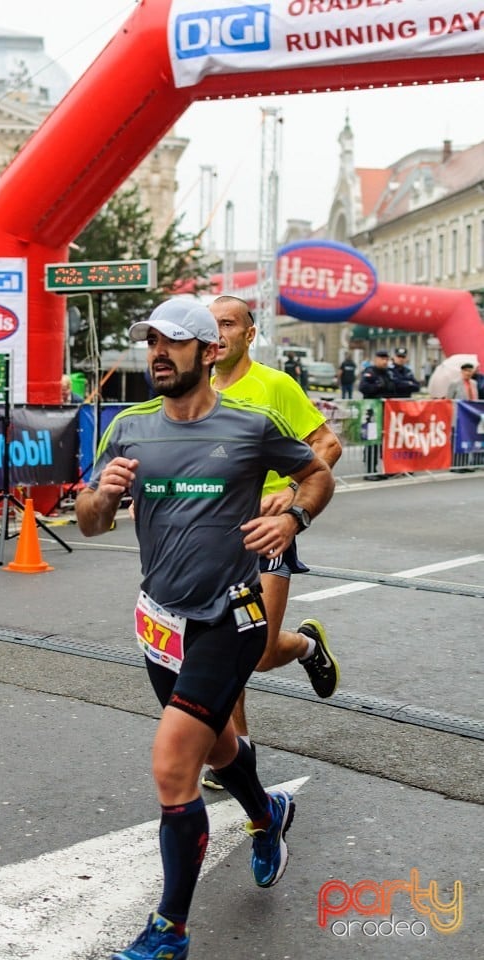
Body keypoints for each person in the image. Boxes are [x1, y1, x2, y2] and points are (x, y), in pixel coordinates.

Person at [75, 298, 335, 960]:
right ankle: (267, 813)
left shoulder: (252, 424)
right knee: (218, 748)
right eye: (152, 341)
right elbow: (87, 520)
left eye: (176, 342)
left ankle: (170, 931)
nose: (159, 352)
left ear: (209, 352)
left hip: (232, 616)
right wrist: (102, 499)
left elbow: (317, 472)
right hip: (160, 624)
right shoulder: (130, 430)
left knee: (172, 764)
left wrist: (293, 519)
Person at [200, 296, 342, 791]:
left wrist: (290, 489)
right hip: (217, 533)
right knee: (225, 646)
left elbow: (327, 444)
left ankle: (306, 646)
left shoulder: (274, 385)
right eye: (211, 325)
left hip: (267, 530)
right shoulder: (201, 391)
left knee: (258, 651)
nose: (218, 334)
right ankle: (237, 755)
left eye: (228, 324)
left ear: (249, 334)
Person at [358, 349, 396, 479]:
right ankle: (370, 470)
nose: (385, 361)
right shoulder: (370, 372)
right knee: (372, 441)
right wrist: (378, 386)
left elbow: (394, 389)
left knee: (383, 442)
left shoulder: (389, 373)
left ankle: (380, 469)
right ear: (376, 359)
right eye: (382, 359)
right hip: (372, 412)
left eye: (386, 359)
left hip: (385, 412)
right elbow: (363, 388)